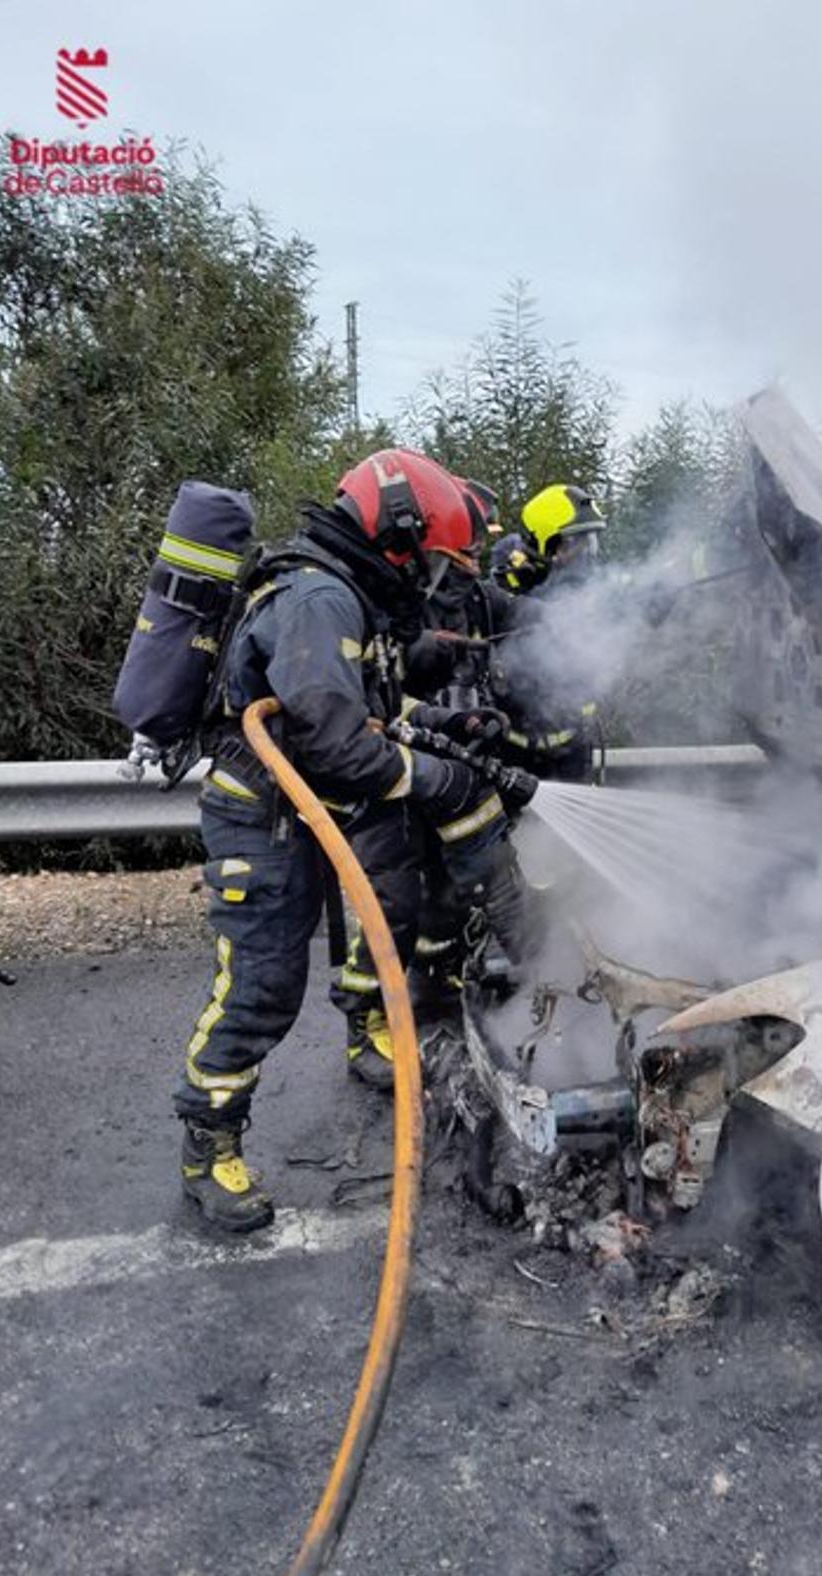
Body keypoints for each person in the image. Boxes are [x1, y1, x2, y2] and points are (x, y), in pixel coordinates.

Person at [176, 448, 534, 1233]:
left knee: (393, 903)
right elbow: (340, 744)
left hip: (312, 798)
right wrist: (434, 778)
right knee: (261, 986)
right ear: (400, 536)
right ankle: (209, 1149)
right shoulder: (317, 601)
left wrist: (447, 726)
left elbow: (371, 707)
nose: (436, 583)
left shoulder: (348, 596)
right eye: (432, 563)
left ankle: (496, 969)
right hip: (264, 813)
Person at [493, 483, 606, 783]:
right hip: (510, 755)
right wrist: (526, 610)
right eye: (574, 546)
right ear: (544, 546)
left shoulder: (583, 595)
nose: (585, 557)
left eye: (590, 543)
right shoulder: (507, 587)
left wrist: (646, 602)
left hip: (572, 750)